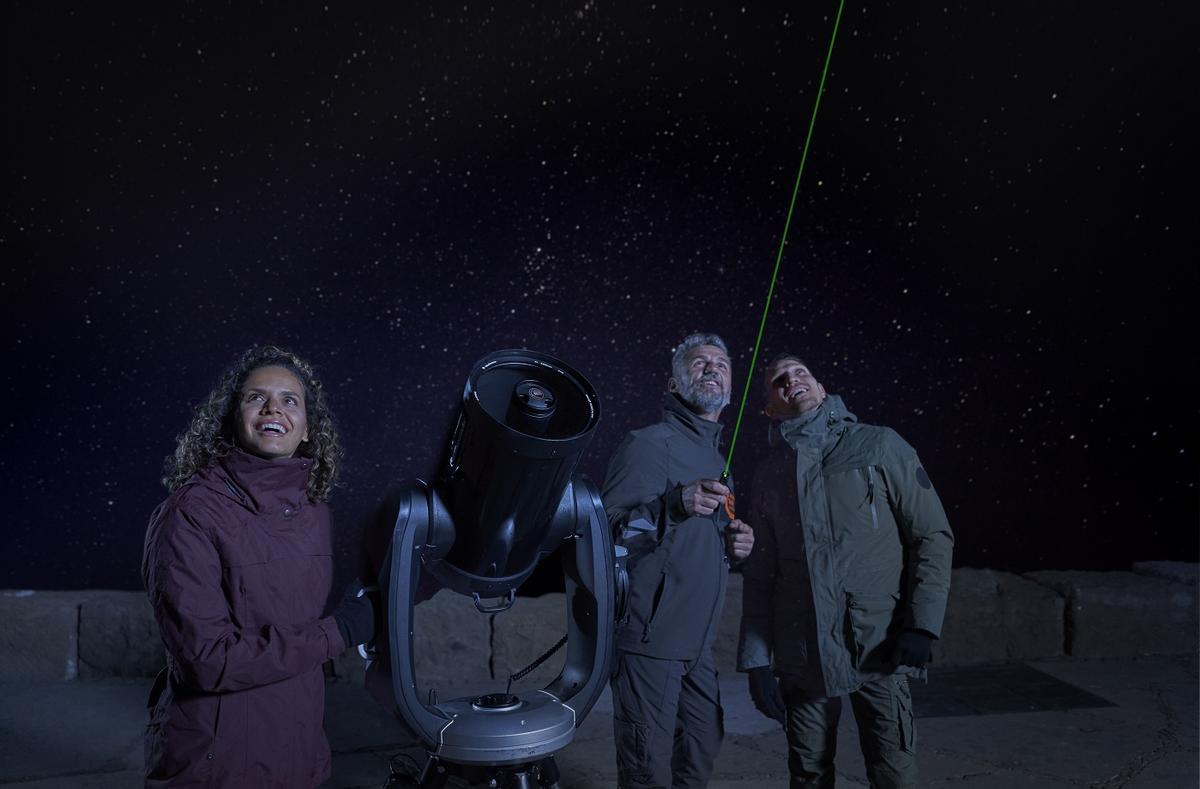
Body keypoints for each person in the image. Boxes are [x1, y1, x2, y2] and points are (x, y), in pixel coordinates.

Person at [142, 345, 376, 788]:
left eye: (291, 400)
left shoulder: (313, 510)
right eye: (256, 397)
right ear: (232, 417)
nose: (274, 407)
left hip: (299, 752)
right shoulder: (191, 513)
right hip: (220, 760)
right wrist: (338, 631)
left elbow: (293, 624)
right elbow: (207, 661)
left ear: (308, 430)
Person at [737, 353, 954, 789]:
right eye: (779, 380)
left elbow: (931, 535)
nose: (791, 380)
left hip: (878, 643)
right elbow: (761, 574)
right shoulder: (768, 474)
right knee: (808, 771)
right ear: (771, 409)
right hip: (802, 653)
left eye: (802, 372)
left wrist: (923, 627)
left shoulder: (879, 444)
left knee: (893, 771)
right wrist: (757, 662)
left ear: (820, 388)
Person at [602, 332, 755, 789]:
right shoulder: (647, 444)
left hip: (698, 646)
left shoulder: (718, 457)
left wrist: (735, 546)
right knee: (646, 767)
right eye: (698, 362)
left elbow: (692, 545)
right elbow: (606, 537)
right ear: (673, 385)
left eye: (721, 363)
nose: (712, 368)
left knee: (700, 751)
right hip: (651, 642)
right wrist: (673, 505)